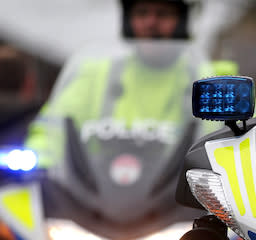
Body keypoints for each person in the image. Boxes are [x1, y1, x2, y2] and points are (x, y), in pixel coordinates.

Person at [24, 0, 239, 169]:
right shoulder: (94, 75)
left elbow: (245, 141)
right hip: (95, 203)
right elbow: (53, 128)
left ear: (182, 20)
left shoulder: (215, 81)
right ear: (128, 19)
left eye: (162, 14)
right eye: (142, 12)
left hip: (183, 205)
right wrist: (41, 159)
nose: (151, 23)